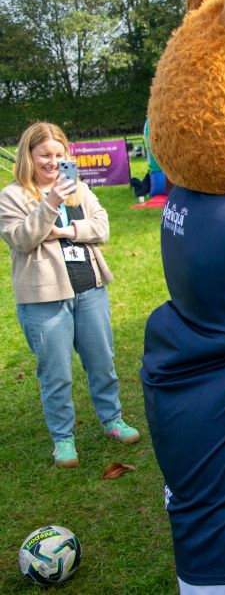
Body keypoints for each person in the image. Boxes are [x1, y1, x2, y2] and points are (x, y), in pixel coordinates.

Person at [0, 122, 140, 468]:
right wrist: (50, 203)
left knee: (101, 362)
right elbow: (21, 238)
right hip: (44, 299)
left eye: (58, 154)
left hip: (89, 288)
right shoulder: (12, 196)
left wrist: (65, 230)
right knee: (56, 372)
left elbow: (102, 226)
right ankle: (63, 439)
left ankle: (113, 420)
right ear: (28, 156)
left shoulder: (78, 187)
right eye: (44, 155)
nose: (52, 161)